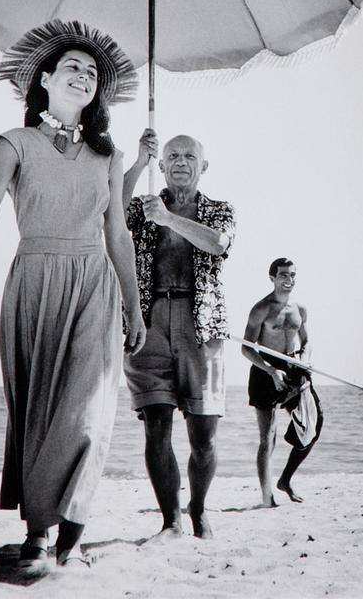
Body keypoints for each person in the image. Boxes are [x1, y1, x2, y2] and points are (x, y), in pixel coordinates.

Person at [0, 20, 146, 570]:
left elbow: (117, 234)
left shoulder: (108, 157)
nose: (84, 76)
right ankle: (39, 529)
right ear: (44, 78)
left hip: (94, 283)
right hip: (35, 279)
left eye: (92, 72)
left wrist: (134, 305)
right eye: (73, 67)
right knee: (39, 410)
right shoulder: (14, 143)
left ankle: (73, 530)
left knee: (89, 413)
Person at [122, 129, 236, 540]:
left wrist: (169, 219)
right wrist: (137, 164)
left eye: (189, 156)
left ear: (203, 166)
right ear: (162, 165)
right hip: (148, 319)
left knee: (203, 434)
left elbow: (218, 245)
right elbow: (109, 214)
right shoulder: (144, 207)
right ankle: (170, 520)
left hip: (201, 323)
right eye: (172, 156)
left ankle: (199, 509)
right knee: (156, 425)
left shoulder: (220, 209)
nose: (181, 161)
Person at [242, 258, 323, 508]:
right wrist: (270, 370)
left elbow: (306, 341)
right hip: (265, 370)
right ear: (273, 278)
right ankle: (267, 497)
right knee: (268, 437)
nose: (289, 280)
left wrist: (305, 359)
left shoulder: (300, 309)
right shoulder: (261, 309)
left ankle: (285, 480)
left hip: (294, 367)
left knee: (313, 426)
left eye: (292, 275)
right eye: (283, 275)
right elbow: (246, 349)